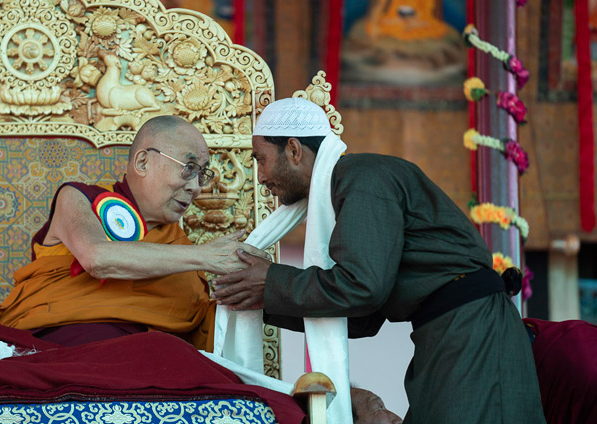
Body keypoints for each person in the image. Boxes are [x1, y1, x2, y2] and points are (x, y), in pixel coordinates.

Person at [210, 98, 546, 423]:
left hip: (472, 335)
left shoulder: (363, 178)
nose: (260, 176)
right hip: (450, 335)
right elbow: (361, 317)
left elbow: (362, 288)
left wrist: (271, 282)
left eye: (260, 159)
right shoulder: (344, 188)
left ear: (294, 151)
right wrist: (256, 297)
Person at [0, 115, 266, 351]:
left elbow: (196, 323)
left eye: (201, 175)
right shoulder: (77, 198)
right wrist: (205, 256)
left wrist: (244, 286)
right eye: (189, 168)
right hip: (67, 346)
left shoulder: (177, 243)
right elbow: (97, 257)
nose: (196, 187)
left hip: (152, 359)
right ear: (144, 162)